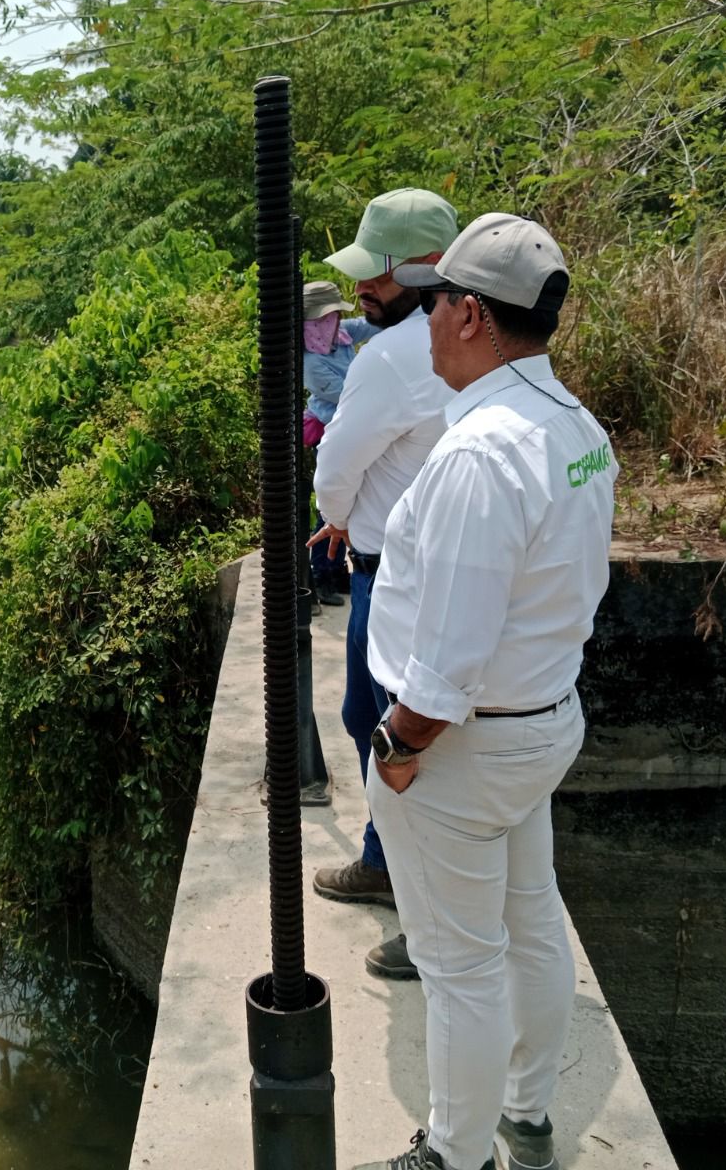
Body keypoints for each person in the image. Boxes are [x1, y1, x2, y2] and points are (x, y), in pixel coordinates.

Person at [356, 214, 617, 1170]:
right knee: (532, 918)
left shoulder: (479, 454)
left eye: (430, 307)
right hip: (541, 722)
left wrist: (398, 743)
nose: (422, 326)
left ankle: (453, 1157)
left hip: (464, 746)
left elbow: (450, 658)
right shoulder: (576, 429)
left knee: (459, 966)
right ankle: (529, 1115)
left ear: (468, 313)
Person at [306, 188, 459, 980]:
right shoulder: (481, 344)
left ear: (422, 269)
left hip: (390, 575)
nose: (362, 290)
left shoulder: (392, 359)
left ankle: (417, 906)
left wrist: (339, 515)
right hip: (449, 572)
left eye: (374, 277)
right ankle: (380, 858)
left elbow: (336, 467)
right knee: (396, 727)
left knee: (389, 732)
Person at [301, 280, 379, 605]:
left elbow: (367, 326)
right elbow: (350, 394)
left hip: (353, 429)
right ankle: (322, 577)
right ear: (316, 322)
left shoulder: (339, 335)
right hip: (332, 433)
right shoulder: (312, 363)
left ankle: (338, 573)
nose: (336, 321)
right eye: (330, 316)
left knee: (349, 504)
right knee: (329, 509)